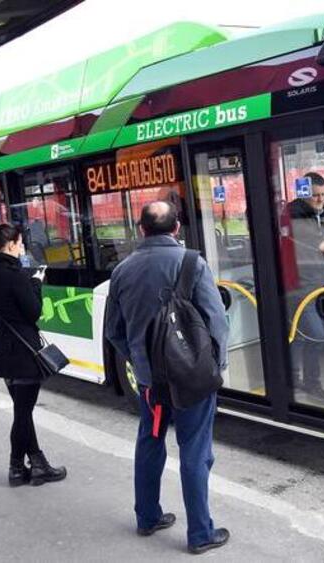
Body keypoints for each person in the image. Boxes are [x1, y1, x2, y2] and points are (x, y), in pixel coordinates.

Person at [105, 201, 230, 555]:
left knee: (151, 440)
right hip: (191, 380)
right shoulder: (192, 262)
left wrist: (140, 361)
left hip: (150, 383)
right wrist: (215, 367)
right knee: (194, 450)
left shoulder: (122, 271)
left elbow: (114, 331)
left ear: (142, 230)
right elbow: (217, 322)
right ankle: (200, 533)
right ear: (177, 229)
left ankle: (147, 517)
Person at [0, 221, 67, 487]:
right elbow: (34, 312)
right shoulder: (16, 275)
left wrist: (2, 327)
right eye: (21, 243)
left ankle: (37, 465)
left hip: (3, 352)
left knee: (22, 410)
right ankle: (16, 468)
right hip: (26, 354)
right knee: (22, 414)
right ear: (11, 244)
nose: (23, 247)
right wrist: (36, 283)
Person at [286, 172, 324, 405]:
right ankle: (312, 384)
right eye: (314, 196)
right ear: (303, 194)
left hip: (322, 281)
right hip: (299, 285)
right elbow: (301, 233)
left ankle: (292, 377)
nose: (320, 200)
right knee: (315, 334)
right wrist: (322, 242)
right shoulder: (293, 212)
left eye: (322, 194)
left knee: (298, 335)